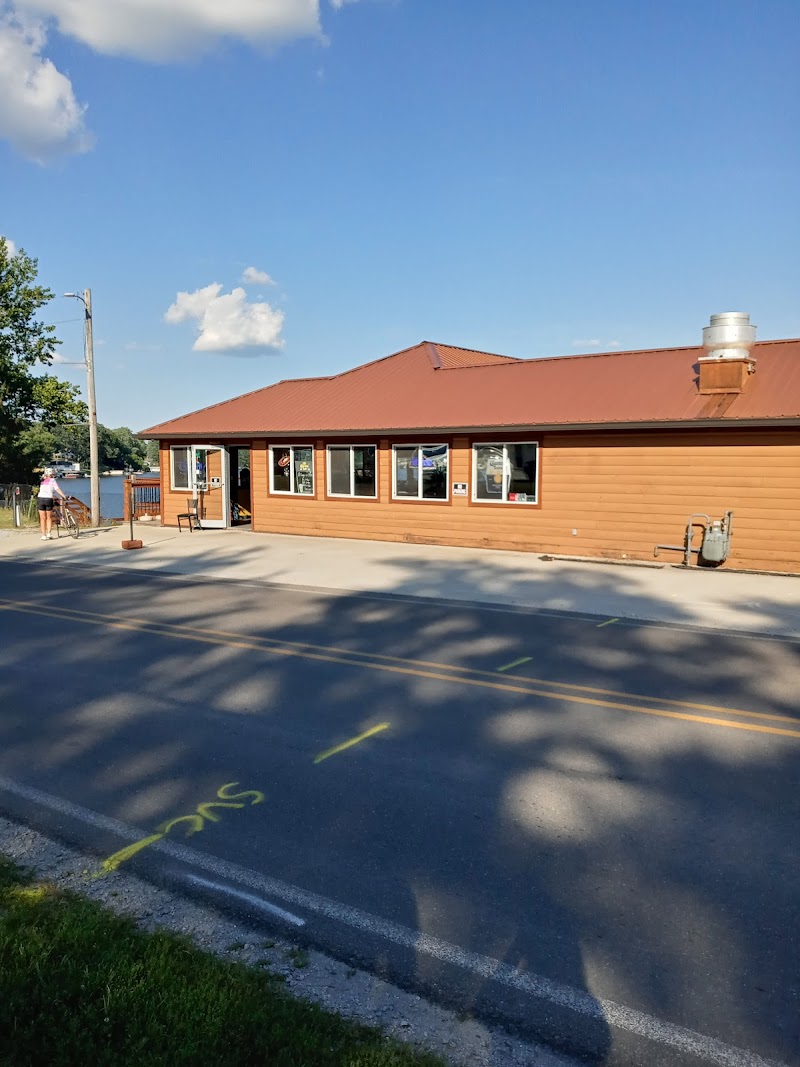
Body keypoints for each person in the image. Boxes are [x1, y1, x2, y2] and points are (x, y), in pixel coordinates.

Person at [36, 468, 67, 540]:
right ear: (52, 474)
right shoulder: (52, 480)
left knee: (42, 518)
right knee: (48, 517)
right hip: (48, 499)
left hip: (40, 498)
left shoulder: (42, 480)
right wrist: (63, 496)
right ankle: (49, 533)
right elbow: (57, 489)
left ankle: (43, 535)